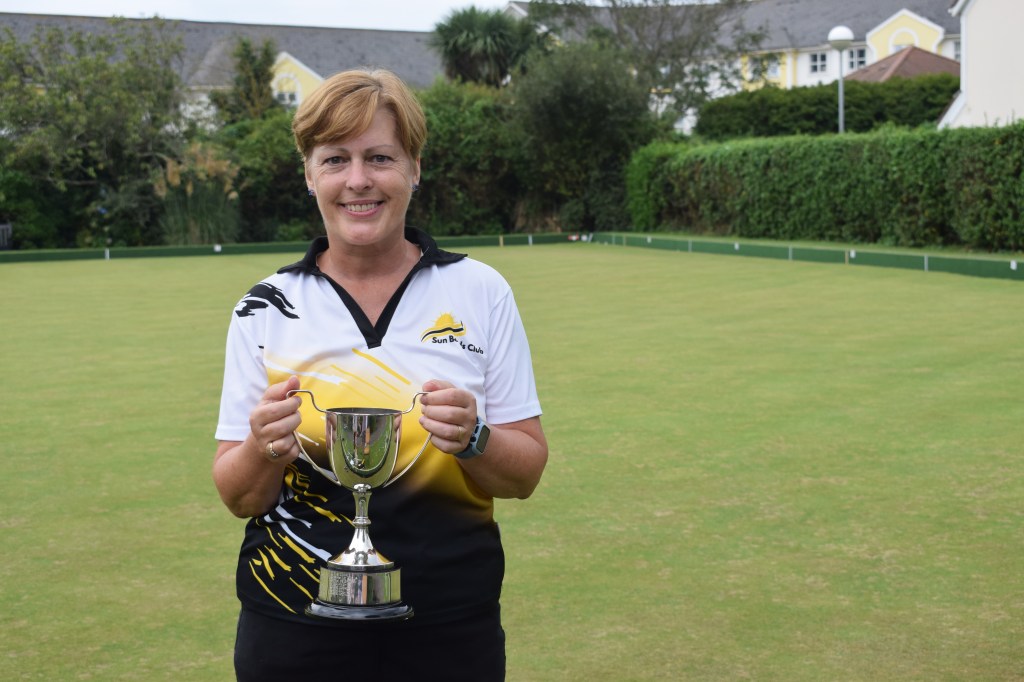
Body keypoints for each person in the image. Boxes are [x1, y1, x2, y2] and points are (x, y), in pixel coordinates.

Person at [212, 68, 548, 681]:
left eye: (380, 157)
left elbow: (525, 474)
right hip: (293, 620)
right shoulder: (265, 306)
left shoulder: (480, 290)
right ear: (309, 174)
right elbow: (239, 497)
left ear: (415, 168)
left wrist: (474, 437)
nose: (358, 180)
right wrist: (262, 447)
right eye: (335, 159)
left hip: (447, 624)